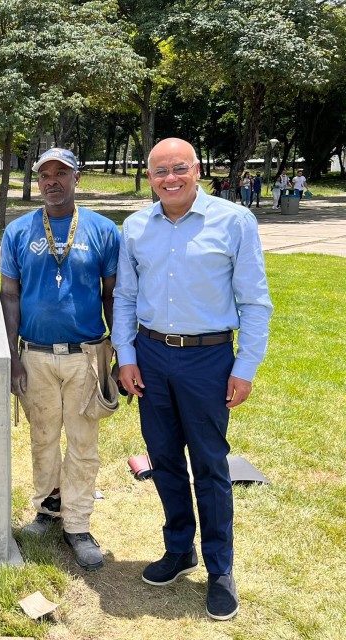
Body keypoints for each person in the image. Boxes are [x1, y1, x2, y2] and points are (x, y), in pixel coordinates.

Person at [113, 138, 272, 621]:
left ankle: (220, 569)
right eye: (160, 171)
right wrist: (126, 355)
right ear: (150, 177)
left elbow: (255, 302)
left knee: (210, 463)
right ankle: (180, 548)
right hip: (151, 356)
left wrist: (245, 367)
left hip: (208, 361)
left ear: (197, 169)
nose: (170, 179)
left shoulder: (234, 221)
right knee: (162, 459)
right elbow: (124, 296)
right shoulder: (136, 227)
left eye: (179, 168)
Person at [0, 147, 120, 571]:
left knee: (83, 442)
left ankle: (79, 525)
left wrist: (120, 352)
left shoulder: (105, 231)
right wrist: (10, 356)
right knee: (43, 438)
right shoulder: (17, 232)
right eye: (44, 174)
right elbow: (10, 295)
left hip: (86, 356)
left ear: (76, 179)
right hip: (34, 356)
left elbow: (112, 295)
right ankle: (47, 511)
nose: (52, 181)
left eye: (61, 174)